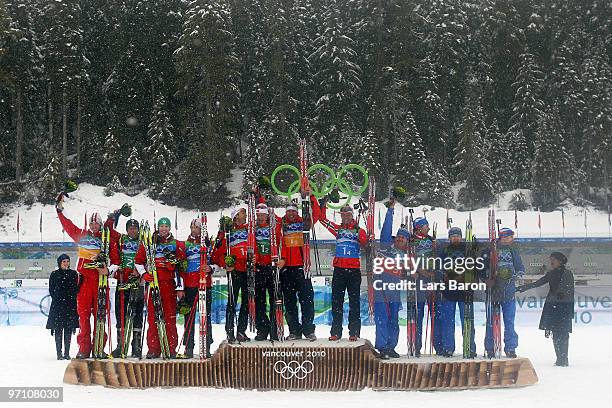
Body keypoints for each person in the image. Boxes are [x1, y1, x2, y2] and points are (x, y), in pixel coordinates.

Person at [55, 195, 118, 359]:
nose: (93, 225)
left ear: (101, 224)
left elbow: (117, 261)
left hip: (99, 282)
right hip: (83, 282)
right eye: (91, 223)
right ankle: (84, 348)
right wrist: (60, 212)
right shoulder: (83, 235)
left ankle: (99, 347)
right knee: (83, 317)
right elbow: (69, 227)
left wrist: (109, 270)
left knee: (100, 316)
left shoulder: (107, 239)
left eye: (96, 223)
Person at [134, 217, 186, 358]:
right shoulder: (149, 243)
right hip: (154, 284)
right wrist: (144, 274)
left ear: (169, 228)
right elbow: (138, 262)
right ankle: (153, 348)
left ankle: (170, 348)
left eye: (166, 226)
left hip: (169, 285)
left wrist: (180, 286)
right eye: (161, 226)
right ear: (157, 227)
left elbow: (182, 267)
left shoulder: (176, 244)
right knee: (153, 317)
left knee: (170, 318)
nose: (163, 229)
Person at [276, 190, 321, 341]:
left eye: (293, 212)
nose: (291, 214)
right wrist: (259, 198)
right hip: (286, 269)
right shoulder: (280, 224)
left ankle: (308, 330)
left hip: (302, 268)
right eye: (288, 212)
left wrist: (310, 195)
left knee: (307, 301)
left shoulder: (304, 223)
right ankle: (294, 330)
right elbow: (265, 216)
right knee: (289, 302)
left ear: (297, 212)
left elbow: (316, 214)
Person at [320, 204, 368, 341]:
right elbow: (322, 219)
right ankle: (336, 332)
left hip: (353, 271)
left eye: (348, 214)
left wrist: (364, 238)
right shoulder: (338, 229)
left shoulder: (360, 230)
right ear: (341, 216)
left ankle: (354, 332)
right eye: (343, 215)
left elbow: (366, 245)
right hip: (339, 270)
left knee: (354, 302)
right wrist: (322, 204)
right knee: (337, 302)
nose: (346, 217)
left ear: (352, 215)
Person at [517, 252, 574, 366]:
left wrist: (562, 295)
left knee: (563, 332)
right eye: (550, 259)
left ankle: (563, 358)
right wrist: (522, 288)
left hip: (563, 306)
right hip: (553, 305)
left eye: (553, 259)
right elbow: (538, 283)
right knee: (556, 332)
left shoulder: (568, 273)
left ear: (560, 261)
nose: (551, 262)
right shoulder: (551, 273)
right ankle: (559, 358)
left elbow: (569, 290)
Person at [480, 227, 524, 358]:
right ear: (501, 237)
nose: (509, 240)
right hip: (493, 290)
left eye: (511, 237)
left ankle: (510, 347)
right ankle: (490, 347)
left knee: (509, 321)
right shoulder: (489, 250)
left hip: (508, 290)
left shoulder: (513, 250)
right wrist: (486, 279)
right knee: (491, 320)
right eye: (507, 237)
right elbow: (481, 268)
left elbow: (520, 267)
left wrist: (515, 276)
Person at [374, 199, 409, 358]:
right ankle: (382, 347)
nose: (400, 239)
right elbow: (386, 231)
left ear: (407, 242)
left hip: (395, 291)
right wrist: (390, 211)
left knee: (394, 320)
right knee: (382, 318)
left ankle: (391, 346)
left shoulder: (408, 256)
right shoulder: (386, 247)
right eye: (399, 237)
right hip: (381, 288)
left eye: (403, 238)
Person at [437, 227, 478, 357]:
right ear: (449, 238)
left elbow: (474, 267)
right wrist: (444, 276)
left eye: (458, 236)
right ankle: (448, 347)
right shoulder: (444, 250)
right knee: (448, 321)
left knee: (467, 320)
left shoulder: (467, 250)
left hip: (465, 291)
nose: (455, 238)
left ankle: (470, 347)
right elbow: (438, 266)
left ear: (462, 237)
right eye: (453, 236)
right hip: (448, 290)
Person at [212, 207, 250, 343]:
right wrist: (225, 264)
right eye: (242, 213)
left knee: (247, 302)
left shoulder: (247, 229)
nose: (245, 215)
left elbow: (254, 246)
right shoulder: (229, 230)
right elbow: (218, 253)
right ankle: (230, 331)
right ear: (235, 217)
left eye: (245, 213)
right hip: (234, 270)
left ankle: (241, 330)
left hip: (248, 269)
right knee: (232, 302)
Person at [109, 218, 145, 358]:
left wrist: (142, 271)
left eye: (135, 228)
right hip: (122, 280)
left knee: (137, 314)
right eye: (130, 228)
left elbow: (148, 260)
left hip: (137, 282)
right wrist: (115, 216)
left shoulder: (143, 241)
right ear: (126, 229)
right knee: (121, 313)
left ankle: (136, 346)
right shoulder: (120, 239)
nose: (132, 230)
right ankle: (121, 345)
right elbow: (108, 228)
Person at [180, 218, 216, 357]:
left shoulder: (208, 245)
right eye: (193, 227)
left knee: (205, 317)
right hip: (190, 285)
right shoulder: (184, 244)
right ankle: (188, 347)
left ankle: (206, 346)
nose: (195, 230)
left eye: (197, 227)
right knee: (189, 317)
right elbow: (180, 267)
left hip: (205, 285)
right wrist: (180, 288)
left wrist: (210, 268)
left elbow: (216, 261)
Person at [253, 203, 282, 341]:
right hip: (258, 267)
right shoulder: (252, 228)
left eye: (263, 215)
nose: (260, 217)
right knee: (259, 301)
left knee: (275, 299)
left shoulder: (274, 226)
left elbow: (281, 236)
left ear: (267, 215)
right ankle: (262, 329)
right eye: (258, 215)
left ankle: (275, 329)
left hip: (272, 267)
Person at [411, 217, 438, 355]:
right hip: (420, 279)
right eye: (425, 226)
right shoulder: (413, 241)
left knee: (434, 312)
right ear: (419, 227)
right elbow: (409, 259)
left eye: (428, 225)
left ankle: (437, 345)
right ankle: (416, 346)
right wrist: (420, 271)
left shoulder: (430, 240)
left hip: (431, 278)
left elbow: (435, 257)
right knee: (419, 313)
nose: (428, 228)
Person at [46, 254, 79, 360]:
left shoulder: (73, 274)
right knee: (58, 330)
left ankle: (67, 353)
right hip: (58, 306)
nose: (66, 263)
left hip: (70, 306)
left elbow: (76, 289)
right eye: (64, 261)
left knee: (68, 330)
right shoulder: (54, 274)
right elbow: (51, 290)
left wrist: (70, 299)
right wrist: (58, 299)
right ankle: (59, 353)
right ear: (59, 263)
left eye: (67, 261)